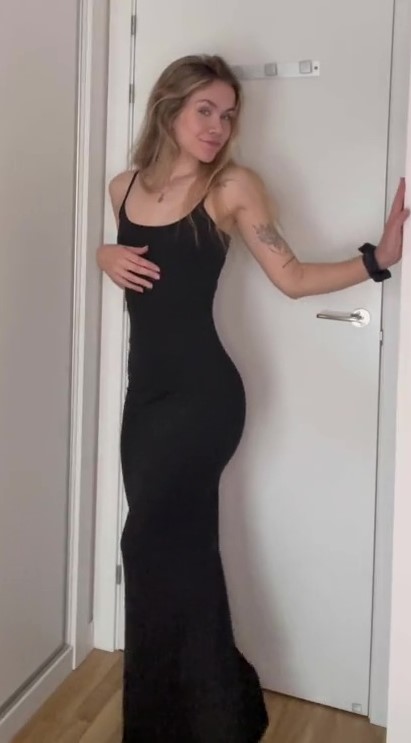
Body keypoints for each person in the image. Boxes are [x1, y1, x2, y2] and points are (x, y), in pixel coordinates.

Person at [97, 54, 408, 743]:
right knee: (176, 553)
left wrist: (376, 261)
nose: (218, 126)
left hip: (204, 400)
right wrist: (101, 254)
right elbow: (129, 262)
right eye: (204, 110)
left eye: (228, 115)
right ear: (168, 108)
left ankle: (178, 721)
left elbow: (290, 277)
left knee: (145, 546)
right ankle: (219, 709)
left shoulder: (231, 186)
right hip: (143, 401)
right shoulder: (121, 187)